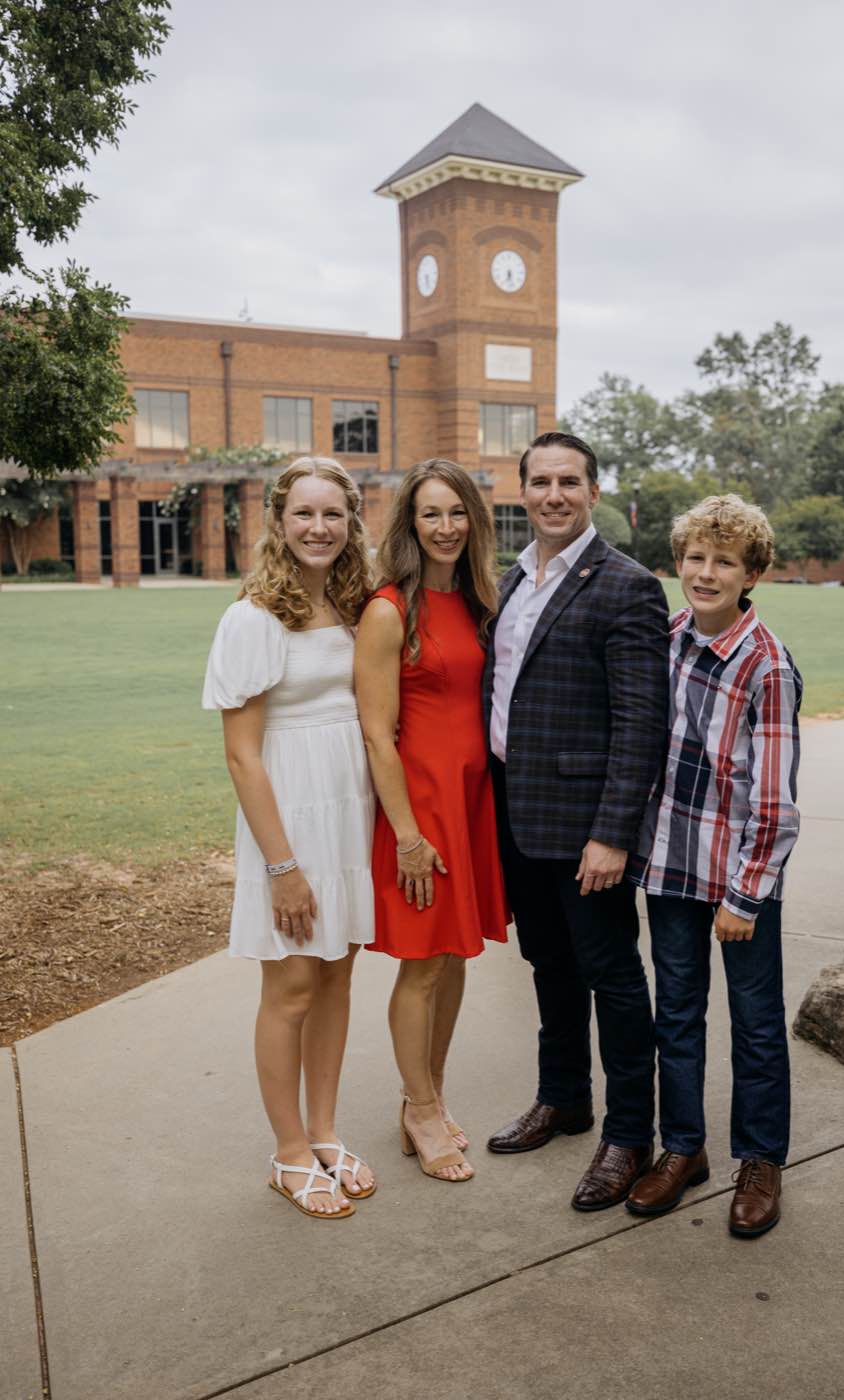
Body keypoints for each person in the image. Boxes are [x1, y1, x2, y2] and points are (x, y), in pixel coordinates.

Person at [484, 430, 670, 1212]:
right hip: (516, 816)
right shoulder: (509, 580)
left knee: (614, 979)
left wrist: (612, 833)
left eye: (569, 481)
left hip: (586, 830)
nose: (553, 494)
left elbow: (640, 724)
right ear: (520, 491)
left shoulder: (625, 585)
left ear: (592, 492)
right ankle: (562, 1099)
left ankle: (629, 1136)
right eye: (540, 481)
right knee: (547, 968)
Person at [202, 457, 376, 1220]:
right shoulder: (252, 616)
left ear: (351, 521)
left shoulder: (354, 600)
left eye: (331, 514)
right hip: (290, 819)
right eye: (303, 514)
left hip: (351, 808)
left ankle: (325, 1131)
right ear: (278, 521)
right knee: (294, 984)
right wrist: (282, 866)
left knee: (337, 976)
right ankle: (287, 1152)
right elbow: (241, 753)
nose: (318, 528)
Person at [625, 494, 802, 1237]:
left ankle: (759, 1159)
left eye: (723, 561)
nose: (705, 572)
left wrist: (746, 894)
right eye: (695, 558)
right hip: (670, 867)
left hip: (737, 881)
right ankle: (683, 1148)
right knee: (678, 1015)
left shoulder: (765, 666)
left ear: (751, 572)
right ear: (678, 564)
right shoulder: (663, 638)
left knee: (756, 1023)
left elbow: (773, 800)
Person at [354, 458, 508, 1184]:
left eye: (456, 513)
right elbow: (376, 733)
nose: (444, 527)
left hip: (470, 803)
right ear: (410, 524)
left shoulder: (478, 599)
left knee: (451, 961)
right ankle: (418, 1109)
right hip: (420, 810)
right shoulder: (389, 610)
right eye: (430, 514)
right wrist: (408, 838)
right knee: (421, 966)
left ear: (473, 521)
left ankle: (429, 1094)